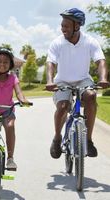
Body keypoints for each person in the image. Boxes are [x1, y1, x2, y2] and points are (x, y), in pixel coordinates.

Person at [46, 8, 109, 159]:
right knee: (63, 106)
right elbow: (50, 64)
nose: (63, 28)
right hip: (62, 80)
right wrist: (49, 81)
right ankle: (57, 138)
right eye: (62, 25)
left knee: (91, 96)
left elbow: (100, 61)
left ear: (77, 26)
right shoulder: (57, 43)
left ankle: (88, 140)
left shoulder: (90, 42)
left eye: (66, 25)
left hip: (83, 79)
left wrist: (103, 78)